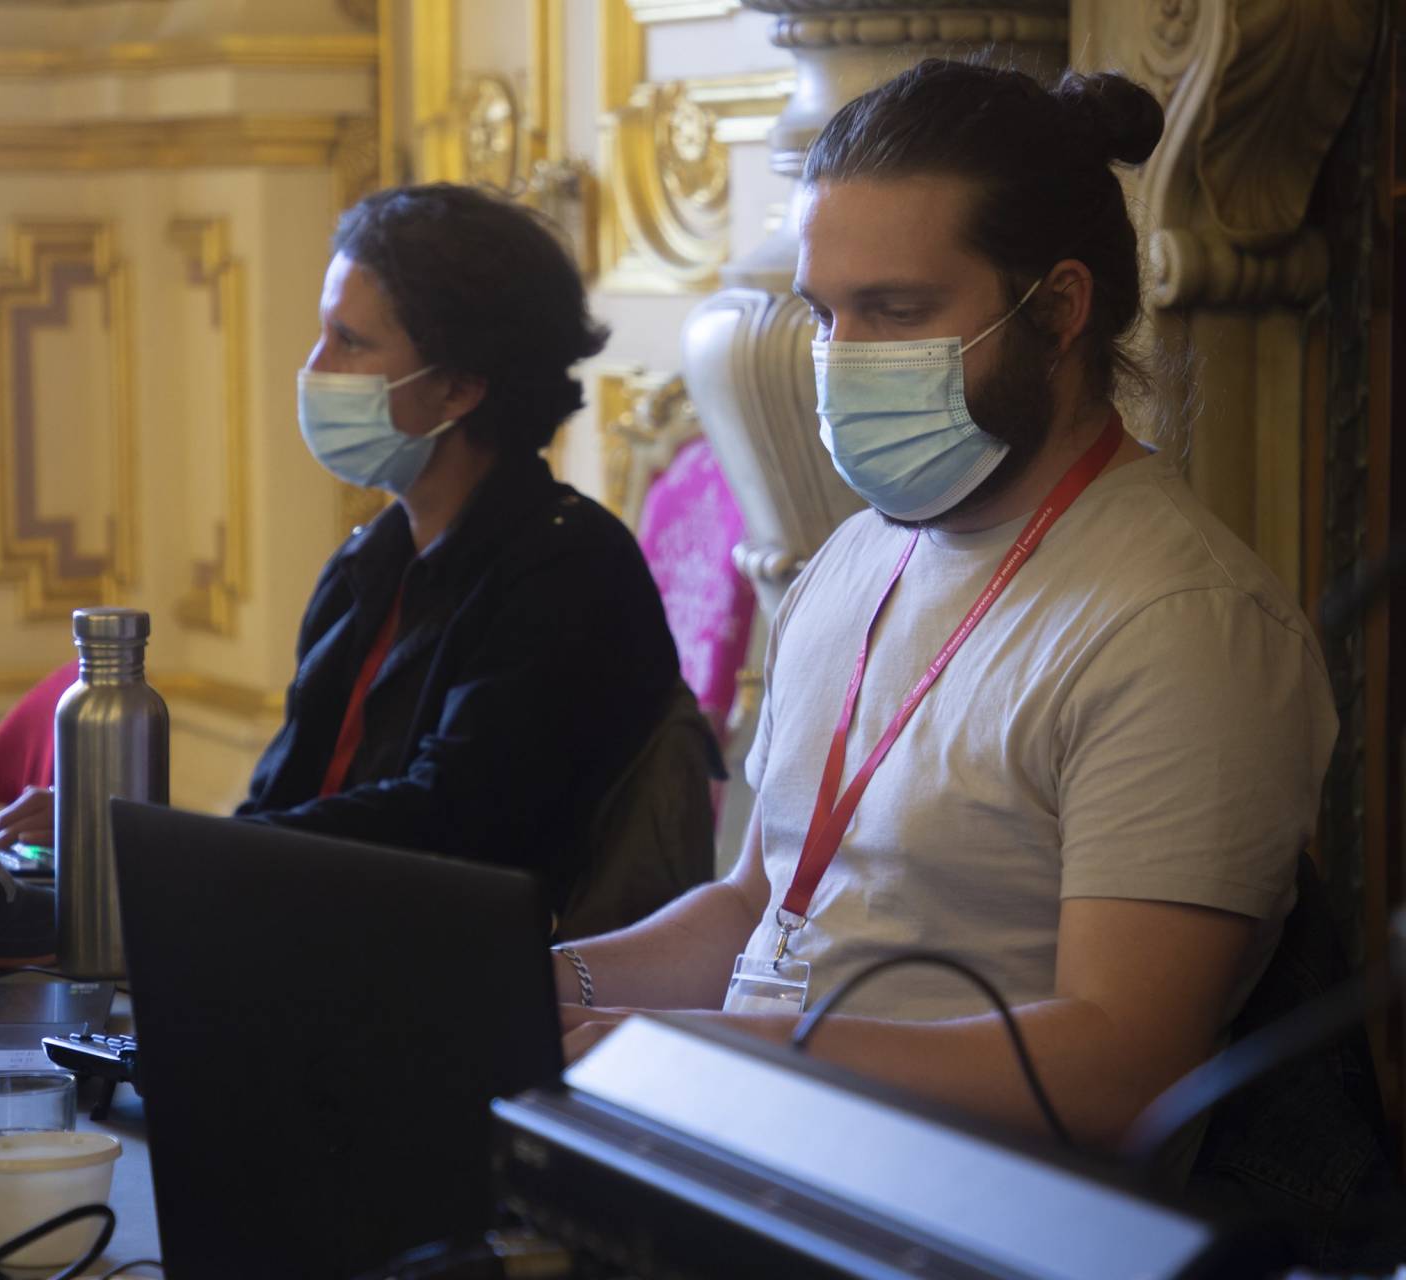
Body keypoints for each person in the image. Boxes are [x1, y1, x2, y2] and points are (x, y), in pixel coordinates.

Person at [554, 58, 1340, 1161]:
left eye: (896, 311)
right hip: (759, 1153)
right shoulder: (854, 555)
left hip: (958, 1218)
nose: (838, 360)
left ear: (1058, 308)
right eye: (824, 313)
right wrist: (552, 979)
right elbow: (757, 912)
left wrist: (747, 1052)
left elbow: (1122, 1063)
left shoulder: (1183, 623)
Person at [0, 184, 709, 925]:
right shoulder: (374, 558)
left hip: (463, 984)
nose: (314, 366)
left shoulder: (570, 570)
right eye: (323, 333)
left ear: (458, 387)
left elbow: (447, 826)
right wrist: (139, 845)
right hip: (324, 941)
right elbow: (284, 804)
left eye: (351, 342)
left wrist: (146, 845)